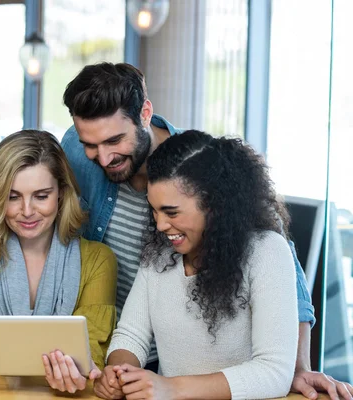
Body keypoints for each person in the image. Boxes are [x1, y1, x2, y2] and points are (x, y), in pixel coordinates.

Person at [61, 62, 353, 400]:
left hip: (182, 381)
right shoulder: (78, 152)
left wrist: (296, 368)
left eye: (114, 140)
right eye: (91, 145)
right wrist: (118, 369)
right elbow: (130, 333)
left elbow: (288, 293)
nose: (103, 156)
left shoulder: (201, 169)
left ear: (144, 113)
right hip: (144, 363)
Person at [102, 130, 297, 399]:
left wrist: (172, 387)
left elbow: (275, 373)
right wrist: (119, 373)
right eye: (154, 210)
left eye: (171, 212)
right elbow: (130, 334)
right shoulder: (160, 254)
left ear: (214, 204)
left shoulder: (266, 251)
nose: (160, 225)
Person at [0, 129, 117, 394]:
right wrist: (52, 363)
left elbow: (93, 357)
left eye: (41, 196)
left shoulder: (99, 261)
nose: (28, 211)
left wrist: (4, 356)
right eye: (13, 197)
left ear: (61, 193)